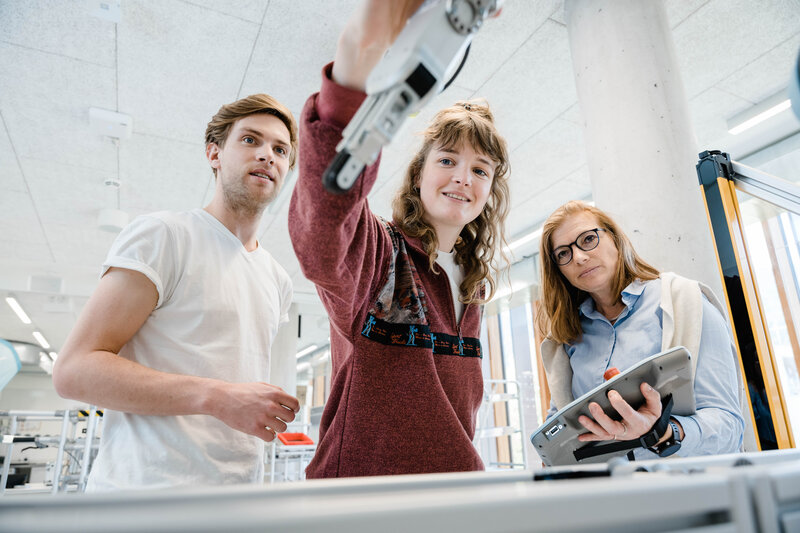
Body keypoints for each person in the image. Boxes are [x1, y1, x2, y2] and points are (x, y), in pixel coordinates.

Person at [288, 0, 510, 477]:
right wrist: (356, 66)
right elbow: (323, 238)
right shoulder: (381, 257)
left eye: (480, 169)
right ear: (418, 176)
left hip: (453, 499)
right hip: (363, 503)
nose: (462, 179)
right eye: (447, 160)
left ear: (490, 191)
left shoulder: (472, 286)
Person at [52, 94, 301, 491]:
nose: (267, 155)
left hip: (235, 503)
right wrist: (216, 396)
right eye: (251, 140)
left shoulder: (276, 278)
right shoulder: (165, 235)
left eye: (280, 149)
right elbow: (74, 371)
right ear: (214, 154)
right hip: (145, 501)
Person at [536, 200, 744, 459]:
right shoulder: (567, 337)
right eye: (563, 254)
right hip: (605, 494)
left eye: (588, 239)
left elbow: (729, 426)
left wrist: (664, 432)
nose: (579, 257)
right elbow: (561, 422)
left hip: (683, 490)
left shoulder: (684, 301)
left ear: (614, 239)